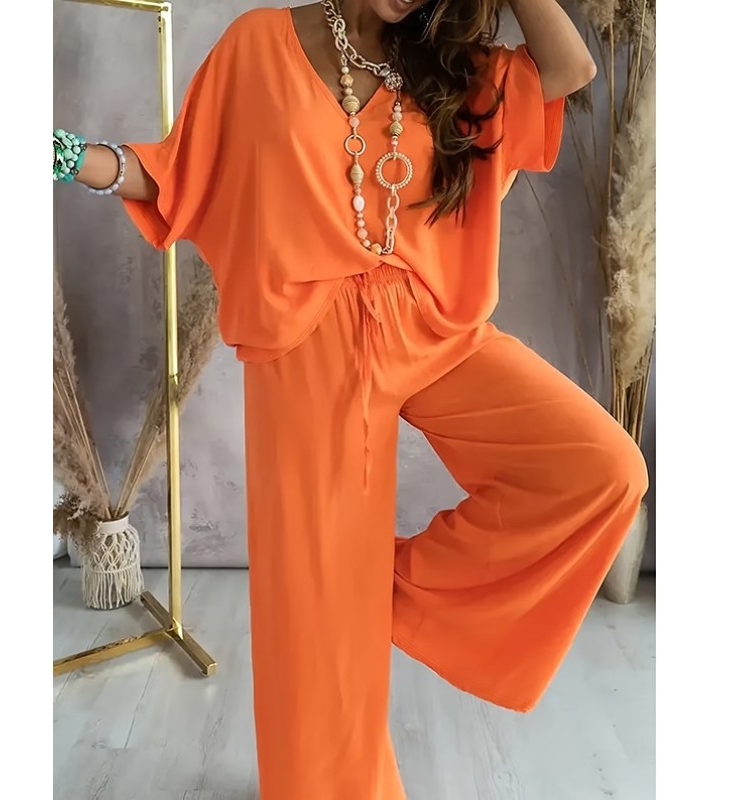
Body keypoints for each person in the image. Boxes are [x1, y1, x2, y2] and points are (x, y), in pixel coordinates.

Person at [53, 1, 649, 798]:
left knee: (601, 470)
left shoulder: (448, 64)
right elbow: (175, 172)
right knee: (318, 657)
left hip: (433, 325)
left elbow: (569, 69)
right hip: (308, 345)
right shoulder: (259, 46)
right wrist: (67, 156)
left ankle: (375, 592)